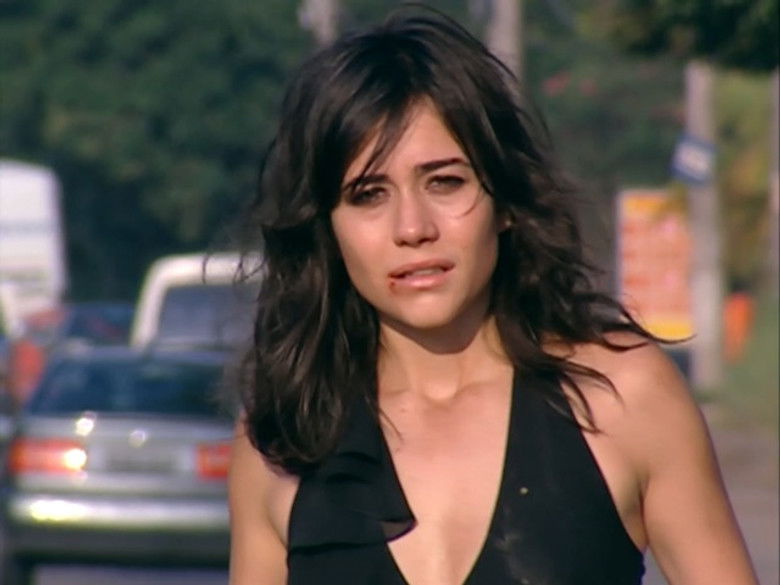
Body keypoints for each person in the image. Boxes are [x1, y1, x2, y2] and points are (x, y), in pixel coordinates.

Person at [228, 7, 757, 585]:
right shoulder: (282, 439)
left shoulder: (623, 398)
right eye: (368, 195)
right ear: (327, 228)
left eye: (445, 182)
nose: (412, 228)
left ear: (504, 201)